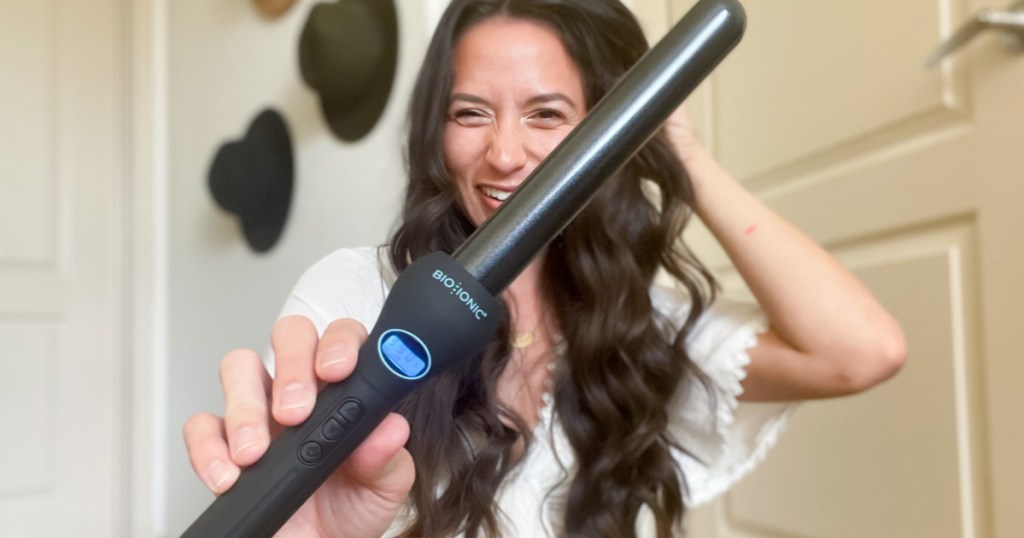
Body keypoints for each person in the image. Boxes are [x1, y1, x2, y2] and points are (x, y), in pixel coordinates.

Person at [184, 0, 907, 536]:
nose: (504, 154)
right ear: (434, 132)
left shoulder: (633, 330)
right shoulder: (357, 296)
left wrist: (673, 146)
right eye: (470, 113)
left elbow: (861, 352)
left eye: (547, 115)